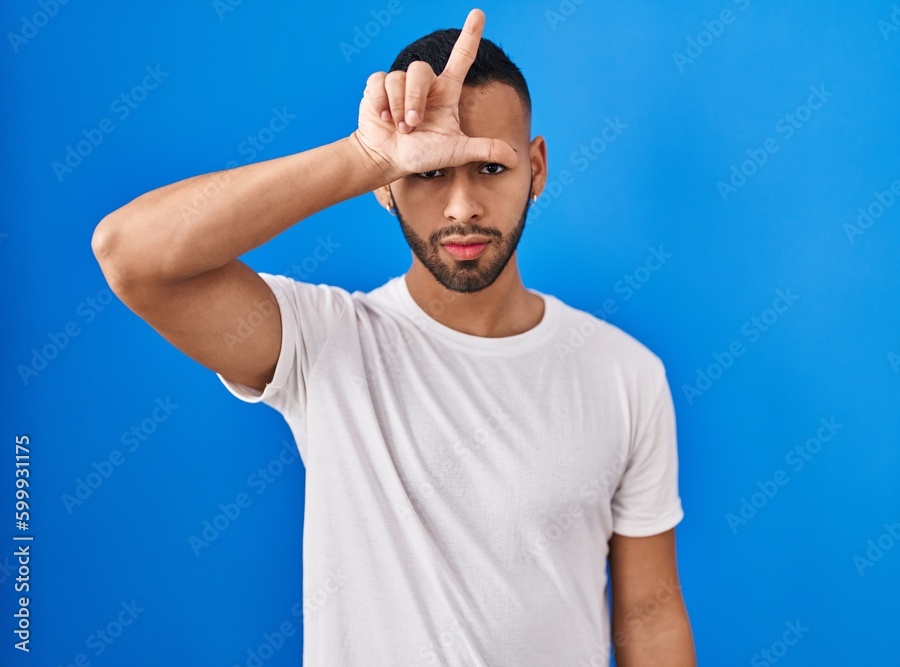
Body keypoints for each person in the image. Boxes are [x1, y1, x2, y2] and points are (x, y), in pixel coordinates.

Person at [91, 8, 695, 665]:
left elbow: (650, 613)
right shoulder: (324, 342)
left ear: (537, 167)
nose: (461, 206)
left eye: (489, 169)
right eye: (429, 172)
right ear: (384, 189)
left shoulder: (625, 372)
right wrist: (365, 155)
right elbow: (129, 254)